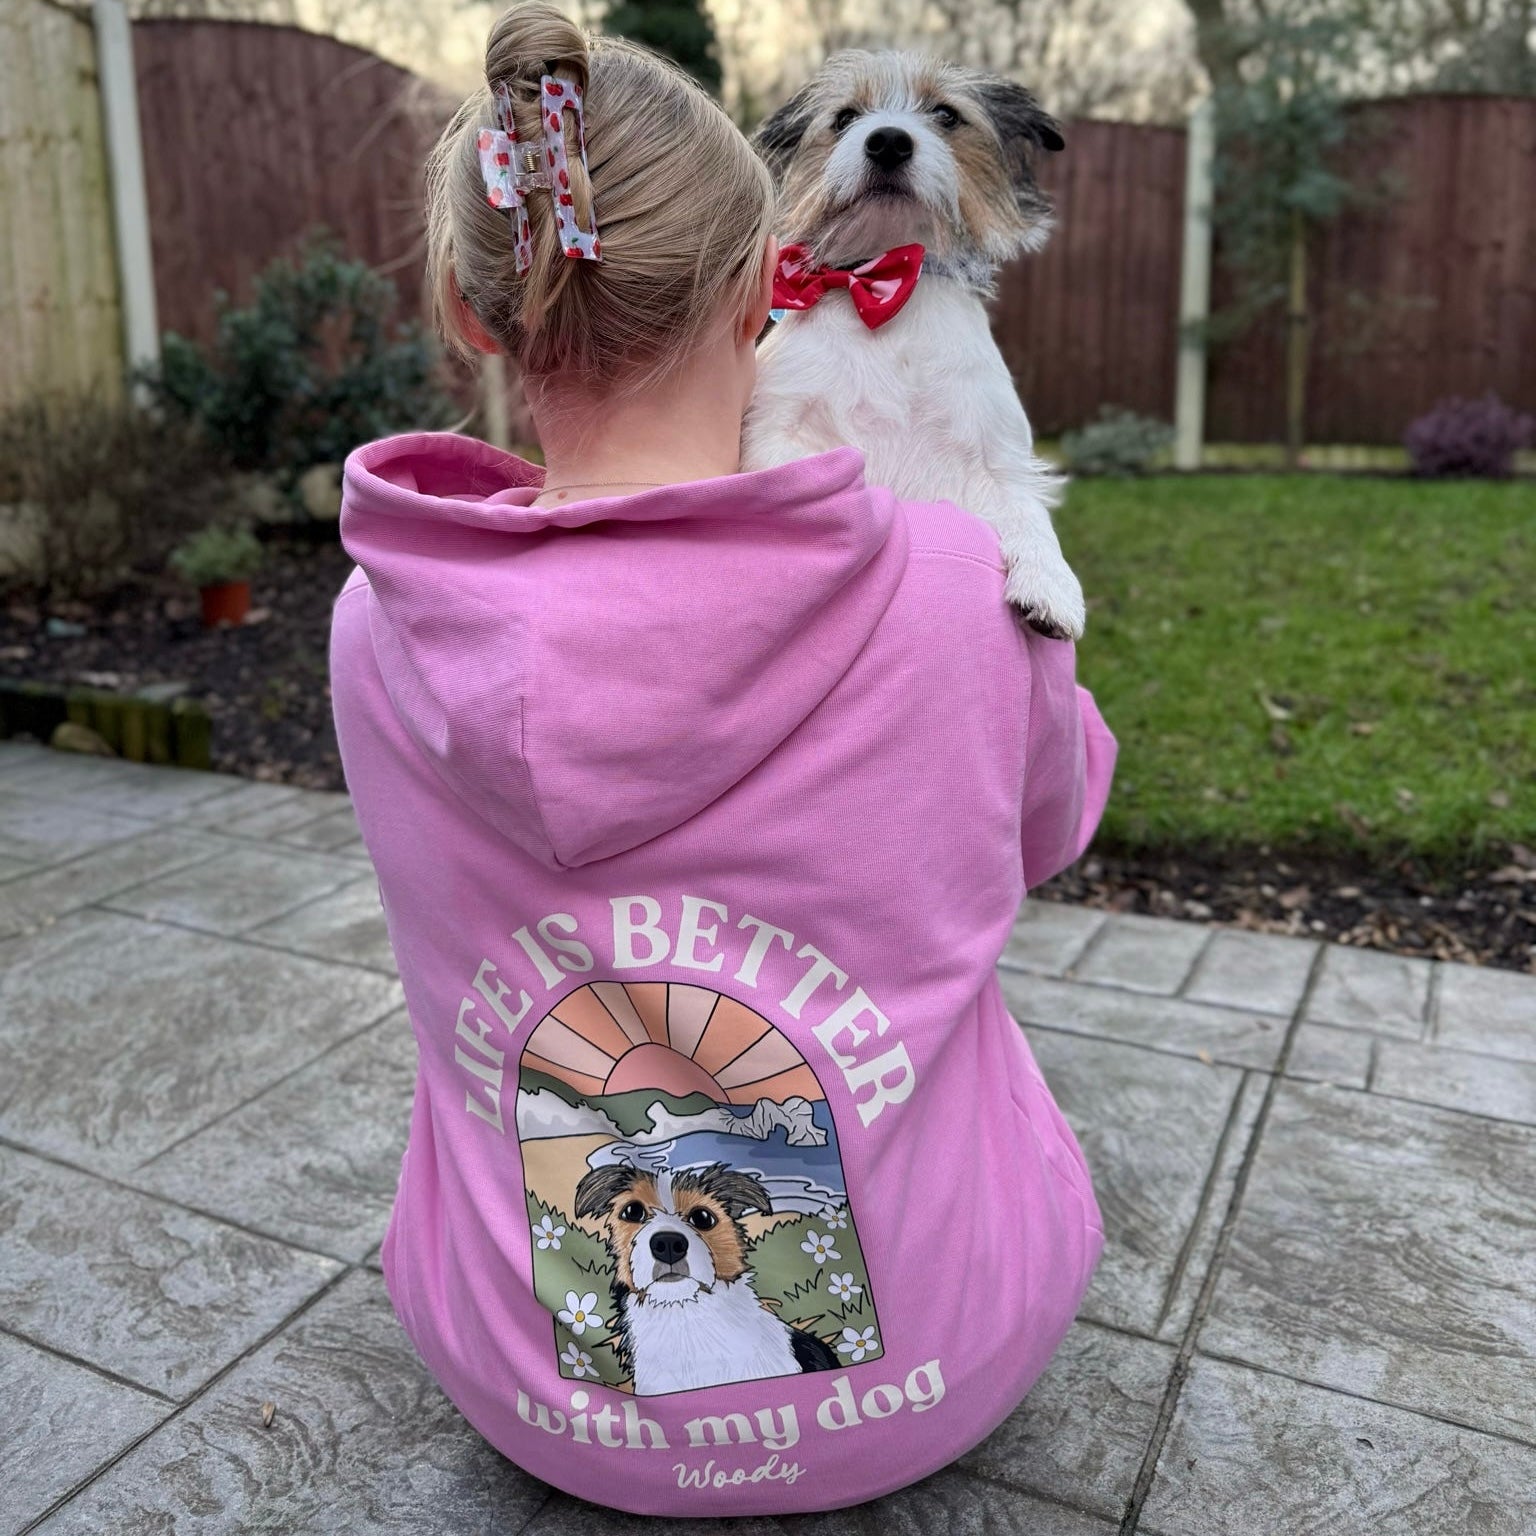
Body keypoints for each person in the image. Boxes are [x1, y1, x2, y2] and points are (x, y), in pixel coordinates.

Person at [330, 1, 1116, 1517]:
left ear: (468, 307)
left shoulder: (380, 621)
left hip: (526, 1390)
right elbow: (1053, 828)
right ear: (775, 274)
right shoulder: (968, 594)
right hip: (938, 1373)